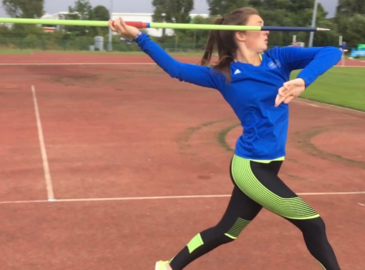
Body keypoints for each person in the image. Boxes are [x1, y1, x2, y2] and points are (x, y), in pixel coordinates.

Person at [109, 7, 342, 270]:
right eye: (259, 25)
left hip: (271, 163)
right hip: (250, 167)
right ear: (241, 35)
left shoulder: (280, 58)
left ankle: (168, 267)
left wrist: (302, 80)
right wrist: (139, 36)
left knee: (226, 231)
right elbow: (175, 69)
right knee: (313, 223)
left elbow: (332, 52)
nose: (266, 31)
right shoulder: (223, 74)